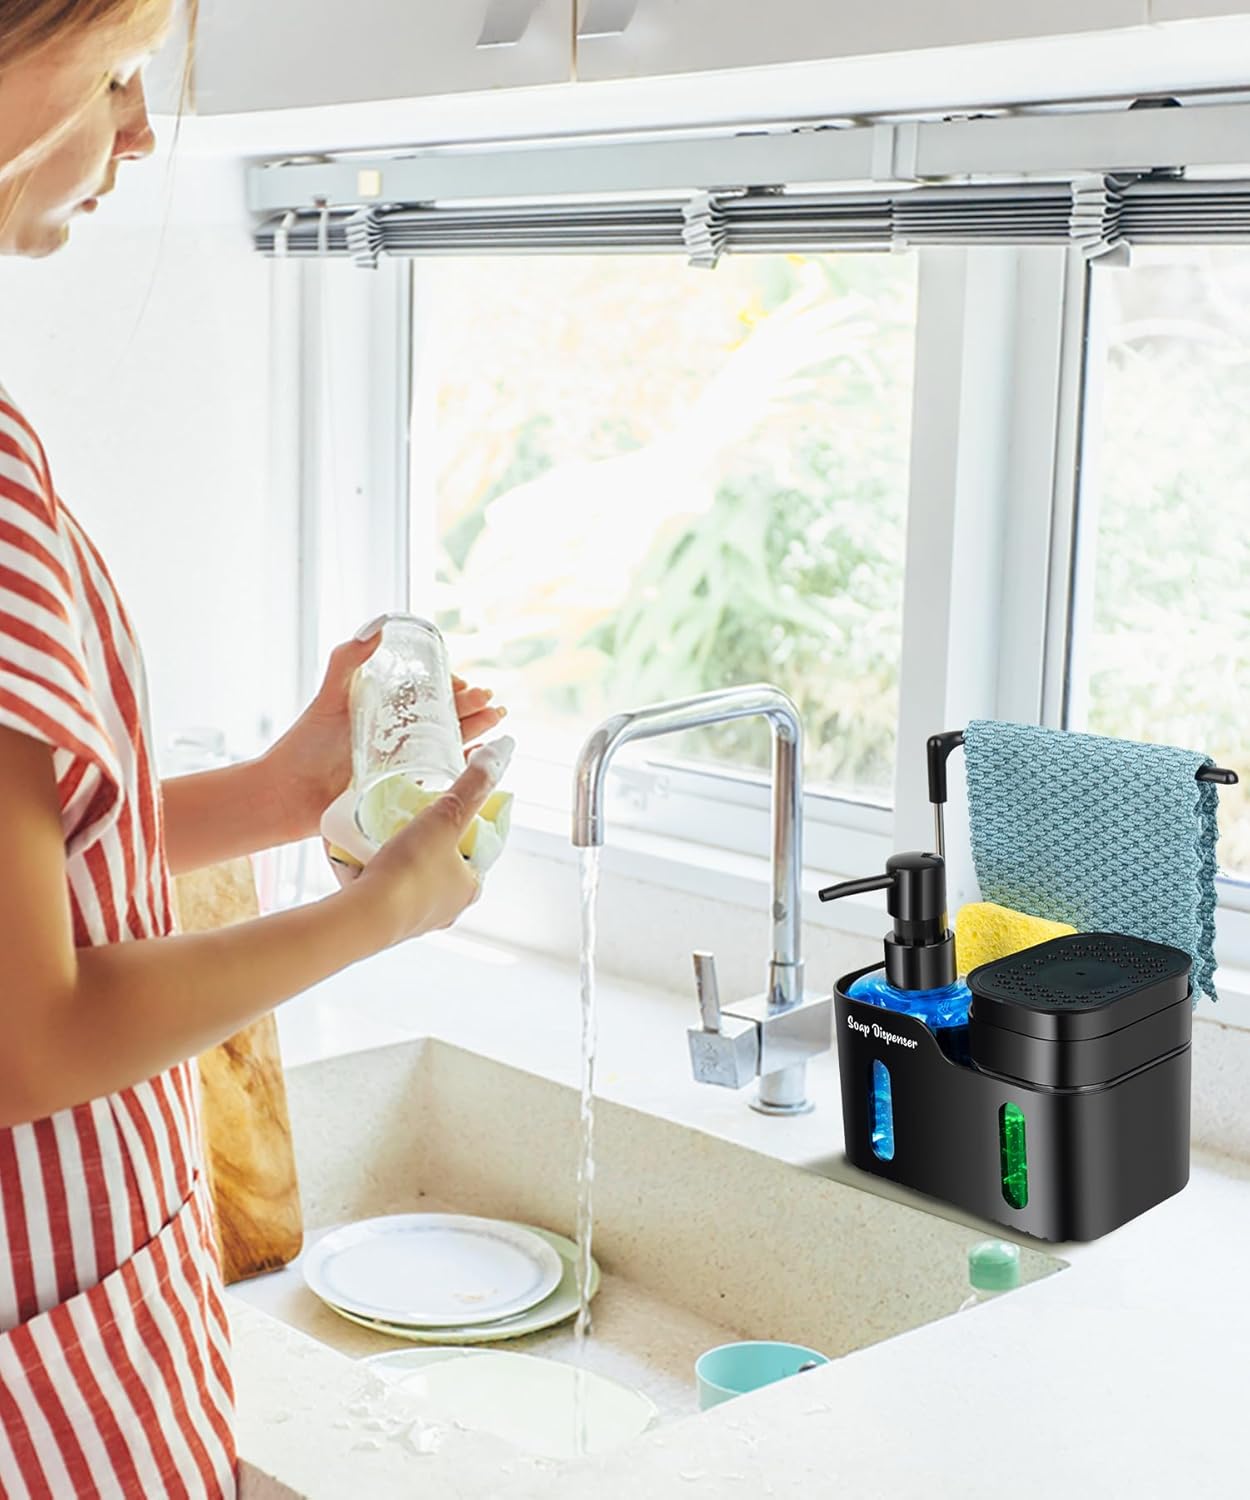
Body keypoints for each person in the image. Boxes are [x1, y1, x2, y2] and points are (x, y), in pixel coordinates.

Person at [0, 3, 511, 1494]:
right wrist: (377, 913)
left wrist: (281, 795)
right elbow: (29, 1037)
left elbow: (40, 883)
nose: (138, 131)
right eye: (114, 72)